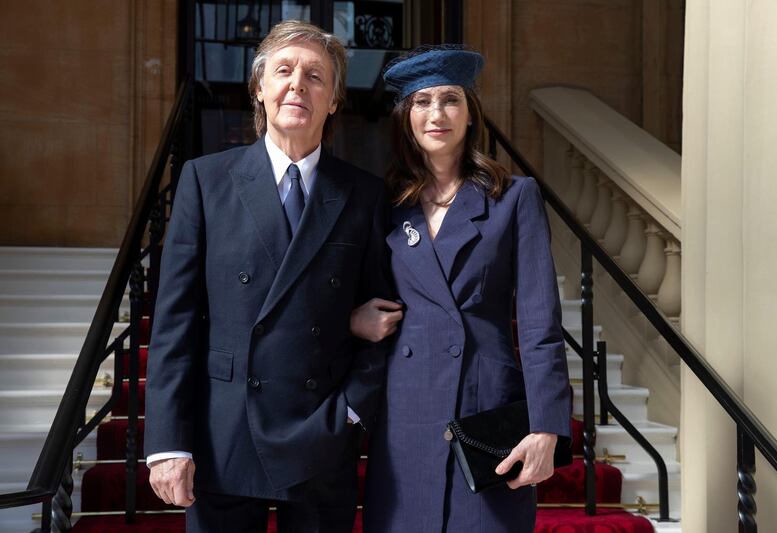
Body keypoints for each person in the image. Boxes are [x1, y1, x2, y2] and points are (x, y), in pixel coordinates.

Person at [143, 20, 393, 533]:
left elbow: (387, 320)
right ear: (260, 88)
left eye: (316, 76)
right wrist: (168, 442)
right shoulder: (205, 180)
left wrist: (350, 414)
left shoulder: (364, 194)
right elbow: (175, 324)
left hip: (322, 435)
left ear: (334, 101)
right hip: (225, 434)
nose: (297, 84)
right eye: (284, 70)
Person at [351, 45, 571, 532]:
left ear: (471, 113)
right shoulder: (383, 203)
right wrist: (353, 320)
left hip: (485, 401)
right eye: (422, 102)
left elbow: (540, 323)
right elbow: (348, 289)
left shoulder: (514, 197)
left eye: (450, 99)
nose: (436, 114)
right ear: (406, 117)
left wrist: (547, 427)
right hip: (405, 406)